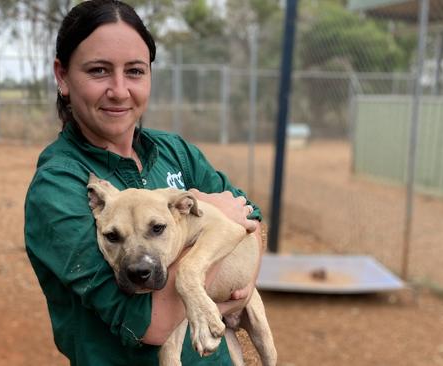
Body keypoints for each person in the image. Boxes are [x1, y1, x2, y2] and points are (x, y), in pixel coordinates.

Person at [24, 1, 263, 364]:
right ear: (63, 77)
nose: (119, 91)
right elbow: (152, 323)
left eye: (134, 71)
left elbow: (252, 223)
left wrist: (240, 290)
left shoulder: (174, 151)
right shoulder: (59, 185)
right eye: (99, 71)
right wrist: (214, 247)